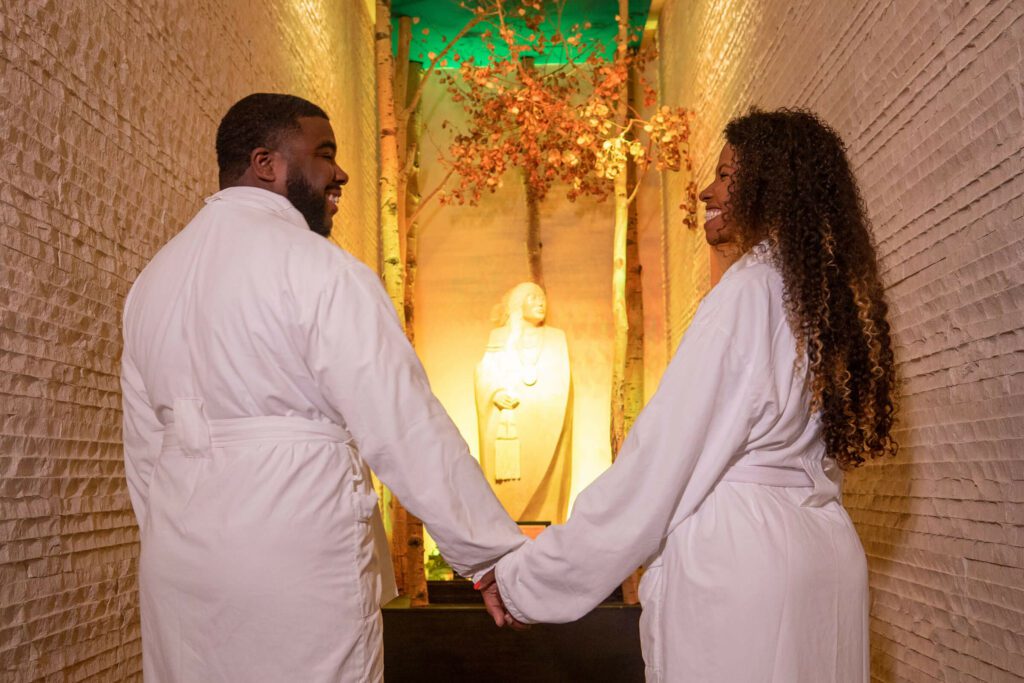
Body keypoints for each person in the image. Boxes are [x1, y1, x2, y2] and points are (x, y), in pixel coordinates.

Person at [481, 108, 899, 681]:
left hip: (745, 569)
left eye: (727, 174)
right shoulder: (824, 302)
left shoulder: (745, 296)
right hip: (825, 558)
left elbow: (656, 467)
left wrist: (530, 580)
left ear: (771, 187)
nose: (708, 190)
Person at [120, 93, 525, 683]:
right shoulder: (320, 269)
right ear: (267, 163)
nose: (340, 173)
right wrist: (488, 556)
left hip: (178, 564)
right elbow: (404, 422)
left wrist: (173, 535)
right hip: (297, 550)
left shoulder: (151, 282)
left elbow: (144, 451)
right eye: (324, 154)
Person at [475, 282, 572, 525]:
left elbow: (563, 381)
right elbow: (484, 373)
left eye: (542, 298)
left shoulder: (556, 338)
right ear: (518, 304)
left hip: (546, 428)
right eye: (533, 298)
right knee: (509, 491)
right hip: (511, 429)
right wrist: (495, 393)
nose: (541, 302)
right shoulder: (500, 337)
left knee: (548, 487)